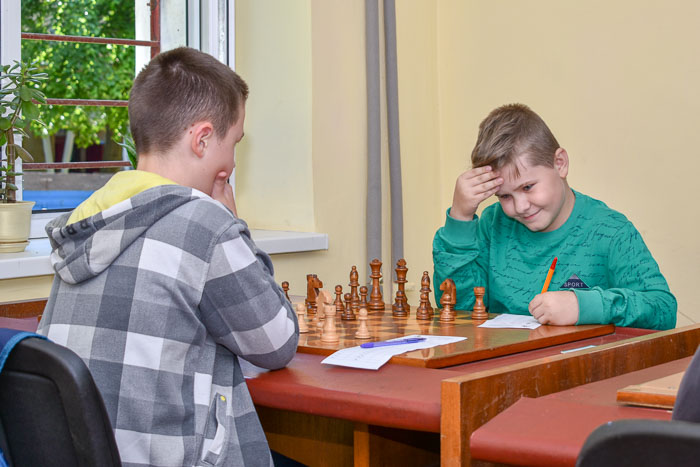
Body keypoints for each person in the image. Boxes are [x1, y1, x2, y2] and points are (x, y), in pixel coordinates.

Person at [37, 47, 299, 466]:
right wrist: (235, 225)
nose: (231, 163)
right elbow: (276, 343)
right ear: (202, 139)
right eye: (234, 144)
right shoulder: (204, 223)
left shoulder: (89, 220)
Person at [432, 103, 676, 330]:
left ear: (560, 163)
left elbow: (663, 309)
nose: (520, 206)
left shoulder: (611, 231)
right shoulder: (492, 224)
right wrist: (460, 217)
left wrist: (584, 306)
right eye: (504, 196)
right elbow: (457, 311)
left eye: (528, 187)